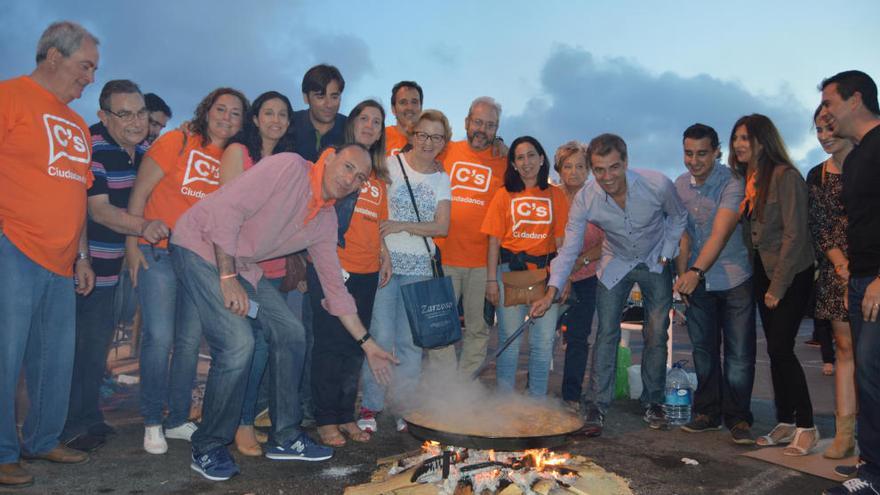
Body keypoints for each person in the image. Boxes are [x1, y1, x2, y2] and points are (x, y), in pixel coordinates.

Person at [170, 143, 396, 481]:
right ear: (330, 156)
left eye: (360, 177)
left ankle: (286, 436)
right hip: (199, 245)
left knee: (291, 332)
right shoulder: (290, 167)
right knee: (237, 343)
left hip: (243, 264)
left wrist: (368, 343)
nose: (351, 179)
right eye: (348, 167)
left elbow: (335, 289)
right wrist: (227, 277)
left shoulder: (325, 218)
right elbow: (228, 209)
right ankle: (208, 444)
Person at [531, 133, 687, 436]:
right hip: (615, 262)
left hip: (656, 259)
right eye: (599, 170)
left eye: (614, 168)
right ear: (593, 168)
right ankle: (597, 405)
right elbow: (569, 250)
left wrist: (667, 255)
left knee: (656, 332)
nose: (607, 177)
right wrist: (552, 291)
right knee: (606, 333)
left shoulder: (657, 184)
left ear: (626, 163)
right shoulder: (586, 199)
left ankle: (653, 400)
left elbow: (678, 218)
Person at [0, 21, 98, 488]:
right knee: (5, 355)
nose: (90, 78)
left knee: (53, 359)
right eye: (85, 66)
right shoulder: (9, 96)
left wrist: (81, 257)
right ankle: (1, 453)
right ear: (53, 57)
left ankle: (41, 440)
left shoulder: (78, 124)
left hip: (62, 261)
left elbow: (78, 193)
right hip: (12, 247)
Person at [126, 87, 248, 455]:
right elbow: (140, 192)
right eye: (220, 109)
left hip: (198, 262)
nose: (226, 117)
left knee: (189, 343)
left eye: (235, 113)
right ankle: (151, 420)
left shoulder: (233, 157)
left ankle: (178, 417)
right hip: (158, 253)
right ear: (206, 109)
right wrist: (132, 245)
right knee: (159, 337)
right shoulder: (178, 141)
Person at [62, 80, 170, 453]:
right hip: (83, 265)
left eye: (140, 112)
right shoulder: (92, 145)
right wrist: (144, 228)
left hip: (119, 268)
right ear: (103, 115)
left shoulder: (144, 151)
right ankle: (69, 426)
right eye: (124, 114)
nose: (136, 121)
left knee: (97, 346)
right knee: (77, 347)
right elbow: (98, 210)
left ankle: (88, 416)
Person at [357, 110, 452, 434]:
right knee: (380, 336)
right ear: (412, 135)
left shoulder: (441, 178)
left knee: (411, 343)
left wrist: (403, 225)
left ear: (444, 142)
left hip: (420, 268)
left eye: (437, 137)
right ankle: (371, 403)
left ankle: (405, 407)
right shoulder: (389, 166)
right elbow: (373, 215)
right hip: (385, 264)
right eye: (423, 135)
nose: (429, 142)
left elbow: (442, 226)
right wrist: (384, 249)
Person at [731, 114, 817, 456]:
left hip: (791, 273)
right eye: (736, 137)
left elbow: (796, 235)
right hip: (763, 272)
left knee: (781, 347)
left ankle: (807, 425)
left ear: (763, 142)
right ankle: (786, 420)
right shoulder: (749, 179)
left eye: (745, 138)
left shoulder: (786, 176)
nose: (738, 144)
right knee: (775, 350)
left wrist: (777, 287)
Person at [308, 99, 391, 446]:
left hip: (367, 270)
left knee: (355, 346)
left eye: (377, 122)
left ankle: (346, 414)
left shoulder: (379, 176)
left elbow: (378, 222)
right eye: (364, 118)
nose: (370, 126)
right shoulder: (334, 159)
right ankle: (325, 419)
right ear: (352, 122)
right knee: (329, 345)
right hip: (332, 266)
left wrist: (384, 254)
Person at [218, 90, 296, 457]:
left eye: (282, 114)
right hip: (243, 269)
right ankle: (240, 423)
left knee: (265, 345)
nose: (276, 120)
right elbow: (227, 211)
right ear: (255, 118)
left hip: (274, 269)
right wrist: (229, 270)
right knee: (252, 345)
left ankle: (241, 417)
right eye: (269, 113)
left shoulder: (286, 162)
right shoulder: (239, 154)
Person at [672, 124, 756, 444]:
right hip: (697, 283)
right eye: (688, 153)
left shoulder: (733, 182)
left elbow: (720, 234)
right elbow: (682, 235)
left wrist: (694, 271)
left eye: (702, 153)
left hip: (735, 279)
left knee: (738, 355)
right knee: (704, 351)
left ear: (717, 151)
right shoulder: (680, 185)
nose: (694, 161)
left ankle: (738, 418)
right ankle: (707, 412)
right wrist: (683, 278)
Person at [820, 70, 880, 495]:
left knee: (874, 374)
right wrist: (855, 277)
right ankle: (872, 465)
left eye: (830, 102)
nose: (826, 112)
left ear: (855, 99)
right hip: (861, 281)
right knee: (868, 377)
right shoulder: (858, 156)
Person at [482, 136, 569, 396]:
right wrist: (490, 281)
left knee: (543, 344)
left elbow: (562, 243)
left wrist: (565, 280)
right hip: (509, 273)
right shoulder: (503, 194)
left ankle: (536, 405)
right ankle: (506, 404)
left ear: (542, 159)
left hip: (544, 276)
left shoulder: (556, 195)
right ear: (514, 163)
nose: (527, 162)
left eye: (532, 155)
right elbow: (493, 242)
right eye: (520, 157)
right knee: (510, 341)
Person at [432, 96, 509, 377]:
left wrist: (507, 148)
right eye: (478, 122)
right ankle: (444, 389)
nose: (482, 129)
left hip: (482, 263)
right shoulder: (446, 150)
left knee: (478, 328)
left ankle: (465, 391)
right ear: (466, 122)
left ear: (496, 129)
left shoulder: (504, 160)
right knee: (441, 326)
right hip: (444, 257)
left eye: (490, 125)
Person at [807, 105, 857, 460]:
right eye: (818, 130)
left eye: (828, 128)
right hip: (834, 271)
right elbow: (819, 224)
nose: (824, 136)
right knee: (844, 351)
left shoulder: (869, 166)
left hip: (871, 268)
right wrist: (840, 264)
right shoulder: (816, 175)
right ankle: (845, 434)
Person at [553, 141, 604, 412]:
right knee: (541, 334)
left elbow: (606, 241)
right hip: (553, 277)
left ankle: (571, 396)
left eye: (580, 166)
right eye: (567, 166)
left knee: (577, 337)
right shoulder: (550, 196)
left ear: (589, 170)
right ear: (559, 169)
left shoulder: (598, 198)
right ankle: (533, 390)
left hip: (586, 276)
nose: (573, 172)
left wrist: (577, 265)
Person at [292, 64, 346, 162]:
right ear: (306, 98)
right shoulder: (289, 124)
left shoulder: (351, 129)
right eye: (320, 97)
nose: (328, 105)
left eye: (334, 97)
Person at [386, 81, 422, 155]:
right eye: (403, 102)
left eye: (414, 102)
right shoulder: (380, 138)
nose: (410, 107)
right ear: (393, 109)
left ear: (421, 108)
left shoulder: (433, 141)